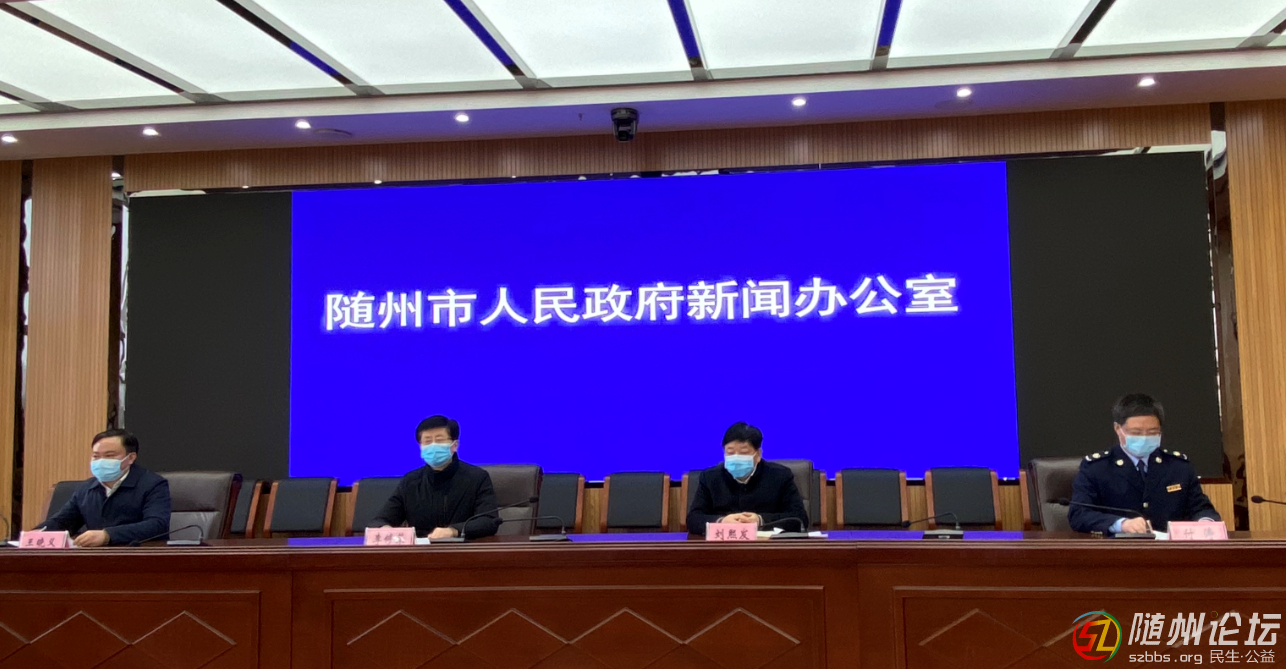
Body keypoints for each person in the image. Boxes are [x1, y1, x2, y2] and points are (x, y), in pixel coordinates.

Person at [1069, 393, 1221, 534]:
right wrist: (1121, 524)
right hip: (1119, 548)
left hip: (1169, 549)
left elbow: (1201, 508)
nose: (1144, 438)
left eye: (1152, 432)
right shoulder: (1097, 468)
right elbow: (1079, 514)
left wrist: (1205, 522)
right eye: (1136, 432)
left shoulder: (1178, 467)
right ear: (1118, 429)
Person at [370, 415, 501, 539]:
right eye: (427, 441)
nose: (433, 446)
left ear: (455, 445)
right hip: (421, 551)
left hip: (462, 549)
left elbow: (489, 521)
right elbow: (380, 520)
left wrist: (453, 530)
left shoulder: (477, 478)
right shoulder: (410, 481)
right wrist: (385, 529)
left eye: (439, 441)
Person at [39, 429, 172, 547]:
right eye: (96, 456)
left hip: (139, 556)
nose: (101, 461)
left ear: (131, 458)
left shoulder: (153, 484)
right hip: (96, 558)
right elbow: (63, 521)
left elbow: (157, 525)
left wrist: (108, 535)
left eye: (110, 456)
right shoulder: (86, 488)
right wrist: (36, 534)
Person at [686, 422, 809, 535]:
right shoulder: (710, 477)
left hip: (765, 546)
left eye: (744, 453)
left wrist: (760, 520)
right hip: (723, 545)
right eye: (730, 452)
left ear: (758, 454)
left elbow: (799, 518)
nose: (736, 458)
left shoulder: (780, 476)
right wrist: (722, 521)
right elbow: (693, 519)